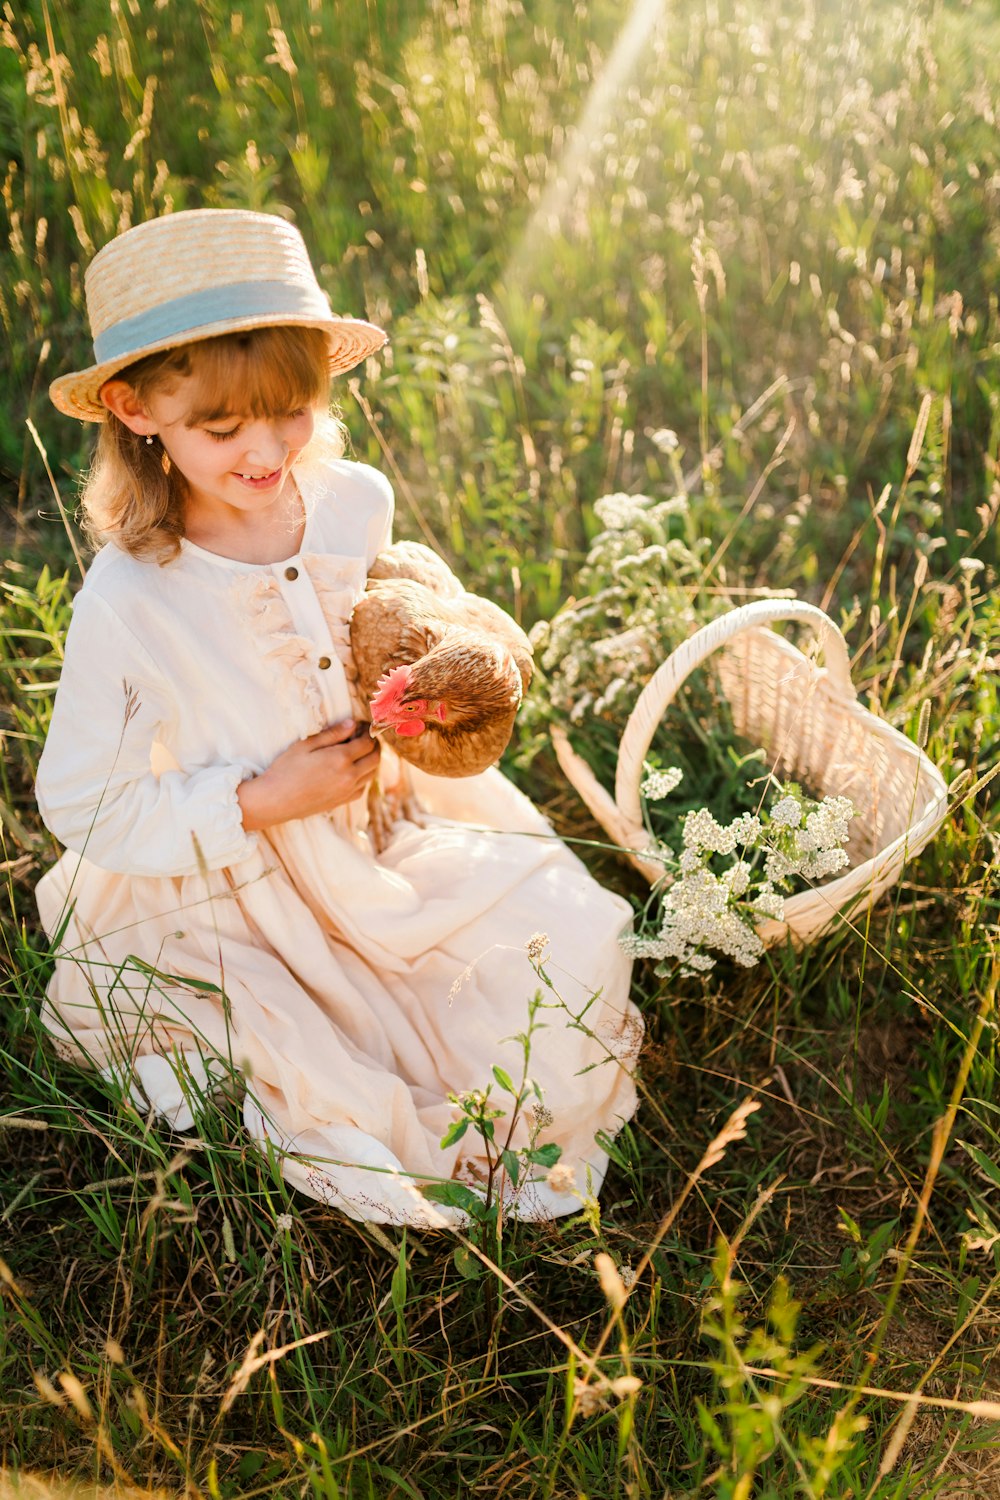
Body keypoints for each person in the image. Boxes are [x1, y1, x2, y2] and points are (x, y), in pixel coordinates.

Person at [34, 208, 642, 1227]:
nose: (267, 448)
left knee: (562, 947)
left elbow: (374, 621)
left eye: (292, 411)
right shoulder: (134, 598)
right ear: (139, 412)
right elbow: (83, 800)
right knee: (324, 1068)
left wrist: (414, 689)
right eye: (222, 429)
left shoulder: (350, 498)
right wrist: (262, 796)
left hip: (376, 823)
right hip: (245, 876)